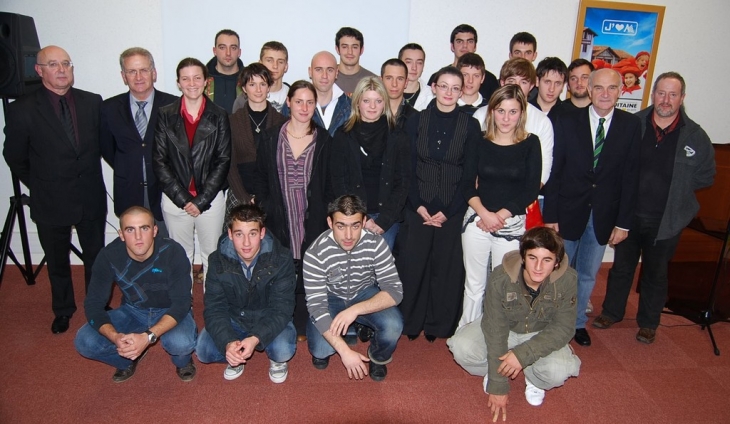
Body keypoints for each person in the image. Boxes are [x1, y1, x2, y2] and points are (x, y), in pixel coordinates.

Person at [594, 72, 715, 344]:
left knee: (656, 273)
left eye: (673, 94)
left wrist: (679, 190)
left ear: (682, 98)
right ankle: (611, 313)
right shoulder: (632, 124)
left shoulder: (695, 136)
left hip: (667, 220)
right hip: (628, 215)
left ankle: (648, 323)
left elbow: (706, 175)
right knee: (622, 268)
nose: (666, 100)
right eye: (661, 93)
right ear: (653, 95)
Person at [3, 45, 106, 334]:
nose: (61, 70)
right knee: (58, 260)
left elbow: (101, 146)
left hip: (90, 195)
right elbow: (14, 156)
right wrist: (39, 184)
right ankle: (63, 309)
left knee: (95, 257)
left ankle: (96, 305)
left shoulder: (91, 102)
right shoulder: (21, 109)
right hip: (50, 198)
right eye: (53, 64)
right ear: (39, 70)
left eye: (66, 64)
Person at [543, 68, 641, 347]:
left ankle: (575, 324)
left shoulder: (631, 125)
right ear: (589, 89)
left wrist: (623, 223)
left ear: (620, 92)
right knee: (558, 271)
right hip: (567, 211)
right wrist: (550, 215)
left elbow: (631, 176)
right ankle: (551, 322)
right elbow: (555, 171)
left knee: (587, 274)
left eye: (611, 88)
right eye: (599, 87)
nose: (605, 94)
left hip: (603, 215)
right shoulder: (566, 120)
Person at [447, 227, 581, 419]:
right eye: (533, 257)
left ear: (557, 263)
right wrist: (498, 383)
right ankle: (498, 368)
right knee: (462, 348)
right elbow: (495, 329)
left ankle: (533, 378)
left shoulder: (568, 280)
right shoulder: (501, 277)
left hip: (540, 333)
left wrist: (522, 355)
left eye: (547, 260)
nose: (538, 267)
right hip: (506, 330)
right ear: (523, 257)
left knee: (558, 372)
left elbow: (564, 328)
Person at [398, 66, 482, 341]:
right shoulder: (415, 120)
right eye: (443, 86)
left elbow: (470, 175)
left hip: (452, 209)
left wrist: (448, 211)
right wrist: (419, 205)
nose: (448, 92)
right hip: (417, 207)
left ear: (462, 92)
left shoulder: (470, 125)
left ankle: (438, 326)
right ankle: (411, 323)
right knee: (414, 267)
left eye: (455, 88)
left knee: (446, 270)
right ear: (433, 87)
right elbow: (406, 168)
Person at [248, 80, 333, 339]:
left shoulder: (324, 139)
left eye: (310, 102)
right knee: (284, 267)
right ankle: (284, 317)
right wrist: (266, 205)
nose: (304, 107)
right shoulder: (272, 136)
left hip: (312, 216)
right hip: (280, 214)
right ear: (288, 102)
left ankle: (308, 318)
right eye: (299, 101)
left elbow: (330, 181)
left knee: (310, 266)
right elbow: (260, 176)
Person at [74, 206, 197, 382]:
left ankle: (182, 361)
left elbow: (182, 303)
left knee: (180, 343)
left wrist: (148, 337)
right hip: (132, 310)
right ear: (121, 234)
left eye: (144, 228)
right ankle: (126, 360)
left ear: (155, 230)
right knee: (84, 342)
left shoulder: (173, 252)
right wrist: (116, 337)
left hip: (169, 309)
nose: (138, 237)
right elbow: (93, 305)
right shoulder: (109, 256)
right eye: (130, 230)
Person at [458, 84, 542, 328]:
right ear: (491, 111)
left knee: (504, 287)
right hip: (477, 221)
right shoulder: (479, 140)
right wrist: (485, 214)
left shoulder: (530, 143)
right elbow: (466, 185)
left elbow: (530, 190)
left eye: (513, 112)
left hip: (512, 225)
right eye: (501, 111)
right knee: (474, 286)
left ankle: (497, 340)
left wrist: (499, 217)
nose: (506, 118)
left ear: (521, 113)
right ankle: (467, 337)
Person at [303, 195, 404, 381]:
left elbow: (395, 292)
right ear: (329, 222)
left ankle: (377, 356)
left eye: (355, 226)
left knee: (393, 325)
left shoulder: (376, 243)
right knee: (321, 350)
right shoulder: (315, 253)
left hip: (364, 293)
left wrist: (354, 310)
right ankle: (353, 328)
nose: (348, 236)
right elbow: (316, 307)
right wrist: (345, 352)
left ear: (364, 221)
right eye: (341, 226)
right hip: (330, 298)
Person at [152, 57, 231, 286]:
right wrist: (185, 199)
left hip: (210, 200)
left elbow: (223, 160)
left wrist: (201, 200)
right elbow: (159, 161)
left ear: (206, 81)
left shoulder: (219, 115)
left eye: (197, 77)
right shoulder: (165, 114)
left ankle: (211, 312)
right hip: (175, 200)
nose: (192, 83)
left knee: (211, 256)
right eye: (185, 78)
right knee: (181, 257)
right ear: (178, 83)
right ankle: (182, 309)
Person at [196, 204, 297, 382]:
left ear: (262, 233)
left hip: (268, 316)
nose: (246, 243)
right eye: (239, 234)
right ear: (230, 234)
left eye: (252, 233)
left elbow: (283, 308)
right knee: (203, 351)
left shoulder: (282, 258)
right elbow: (214, 308)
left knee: (283, 351)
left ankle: (269, 356)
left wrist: (255, 337)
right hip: (234, 319)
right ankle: (236, 353)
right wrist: (228, 341)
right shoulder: (216, 260)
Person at [101, 47, 177, 236]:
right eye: (131, 71)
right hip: (128, 189)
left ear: (154, 73)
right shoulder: (108, 108)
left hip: (164, 192)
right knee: (135, 249)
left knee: (166, 247)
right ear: (123, 76)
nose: (138, 76)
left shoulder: (174, 106)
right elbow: (108, 149)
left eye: (143, 70)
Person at [331, 76, 411, 250]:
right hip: (351, 216)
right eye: (367, 100)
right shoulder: (343, 136)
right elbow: (339, 181)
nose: (373, 107)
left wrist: (383, 221)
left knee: (379, 272)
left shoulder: (398, 137)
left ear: (385, 103)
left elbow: (403, 184)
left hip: (386, 218)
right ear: (357, 102)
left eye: (378, 101)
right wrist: (356, 218)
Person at [473, 58, 554, 205]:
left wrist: (524, 199)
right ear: (502, 83)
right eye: (511, 81)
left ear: (531, 85)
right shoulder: (481, 115)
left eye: (523, 82)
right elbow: (472, 165)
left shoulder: (542, 121)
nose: (516, 86)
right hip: (483, 201)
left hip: (523, 203)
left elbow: (545, 164)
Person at [226, 63, 286, 215]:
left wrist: (267, 198)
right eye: (252, 84)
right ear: (244, 88)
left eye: (263, 84)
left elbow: (283, 165)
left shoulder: (282, 122)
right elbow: (229, 164)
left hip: (272, 197)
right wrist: (245, 199)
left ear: (268, 87)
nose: (258, 90)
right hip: (239, 195)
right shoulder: (232, 121)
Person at [282, 51, 351, 137]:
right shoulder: (292, 105)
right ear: (310, 72)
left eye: (330, 70)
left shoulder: (349, 106)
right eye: (319, 69)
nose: (324, 76)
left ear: (336, 72)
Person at [232, 41, 290, 114]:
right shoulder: (243, 100)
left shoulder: (295, 97)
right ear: (260, 63)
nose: (275, 66)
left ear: (286, 66)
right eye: (269, 60)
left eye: (280, 62)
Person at [205, 29, 243, 113]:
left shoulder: (248, 80)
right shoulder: (202, 80)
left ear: (239, 52)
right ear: (215, 51)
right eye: (222, 47)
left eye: (233, 48)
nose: (228, 53)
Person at [333, 27, 376, 95]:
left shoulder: (373, 81)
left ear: (361, 50)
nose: (350, 52)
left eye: (354, 47)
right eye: (345, 47)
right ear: (337, 49)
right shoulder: (327, 77)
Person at [381, 58, 416, 129]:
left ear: (406, 83)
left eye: (400, 79)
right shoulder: (369, 113)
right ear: (381, 81)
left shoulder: (416, 118)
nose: (394, 84)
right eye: (389, 78)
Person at [398, 43, 434, 111]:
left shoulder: (432, 96)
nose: (414, 67)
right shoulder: (384, 93)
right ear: (400, 64)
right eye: (409, 62)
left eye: (419, 63)